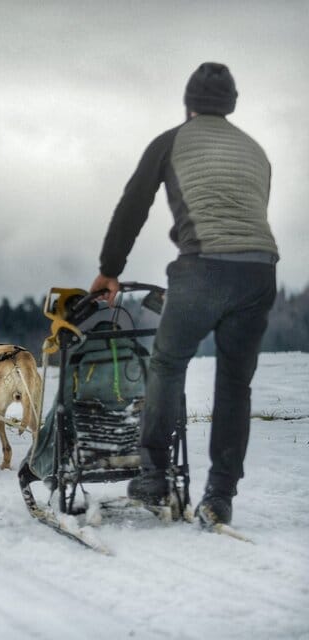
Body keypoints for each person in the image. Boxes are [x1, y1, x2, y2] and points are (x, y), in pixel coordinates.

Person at [90, 62, 278, 529]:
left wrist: (109, 271)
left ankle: (153, 478)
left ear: (188, 103)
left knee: (168, 363)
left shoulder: (170, 141)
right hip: (259, 271)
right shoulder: (256, 151)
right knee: (236, 384)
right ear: (232, 105)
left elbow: (133, 205)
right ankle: (219, 498)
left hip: (202, 268)